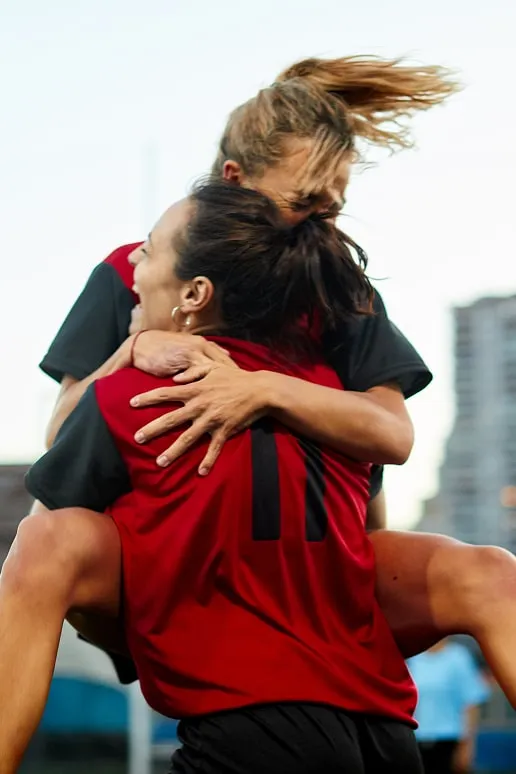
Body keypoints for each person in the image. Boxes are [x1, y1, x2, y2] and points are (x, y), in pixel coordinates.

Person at [2, 51, 516, 764]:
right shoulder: (142, 268)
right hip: (177, 550)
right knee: (44, 540)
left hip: (310, 559)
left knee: (489, 573)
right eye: (307, 202)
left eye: (335, 203)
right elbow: (65, 439)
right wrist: (132, 352)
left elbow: (389, 435)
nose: (325, 220)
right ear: (239, 184)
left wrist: (263, 387)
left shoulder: (335, 279)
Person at [27, 181, 422, 774]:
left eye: (151, 249)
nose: (132, 259)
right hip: (387, 732)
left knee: (37, 548)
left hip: (258, 729)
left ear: (194, 294)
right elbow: (372, 521)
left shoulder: (134, 397)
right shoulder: (337, 403)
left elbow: (46, 538)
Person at [408, 639, 490, 774]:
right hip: (415, 742)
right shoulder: (412, 659)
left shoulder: (459, 658)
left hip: (449, 742)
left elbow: (471, 704)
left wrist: (467, 746)